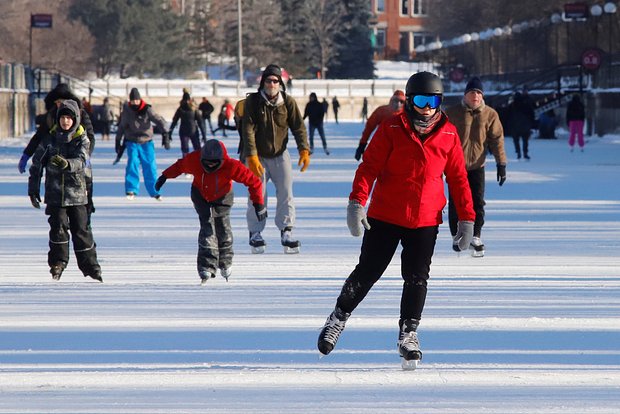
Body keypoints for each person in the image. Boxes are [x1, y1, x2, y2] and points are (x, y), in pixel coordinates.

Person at [316, 71, 475, 368]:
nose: (427, 107)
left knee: (416, 278)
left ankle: (409, 332)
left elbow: (458, 179)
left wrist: (467, 218)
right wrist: (356, 202)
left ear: (440, 102)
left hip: (426, 219)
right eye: (420, 100)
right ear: (409, 99)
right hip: (386, 215)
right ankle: (338, 318)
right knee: (368, 271)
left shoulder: (450, 135)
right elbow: (369, 167)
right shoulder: (391, 127)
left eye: (433, 100)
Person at [155, 139, 266, 284]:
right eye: (207, 163)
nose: (210, 166)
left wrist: (258, 203)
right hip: (200, 195)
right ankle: (206, 266)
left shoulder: (231, 166)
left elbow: (254, 182)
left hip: (223, 197)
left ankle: (225, 261)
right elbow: (180, 166)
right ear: (201, 158)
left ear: (221, 160)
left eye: (214, 163)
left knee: (223, 228)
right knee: (207, 228)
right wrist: (165, 176)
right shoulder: (194, 160)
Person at [27, 100, 102, 282]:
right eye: (63, 118)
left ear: (75, 119)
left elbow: (82, 160)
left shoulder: (82, 139)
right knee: (58, 228)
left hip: (77, 195)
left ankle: (90, 266)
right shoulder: (50, 140)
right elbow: (37, 165)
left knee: (81, 230)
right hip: (55, 195)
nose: (66, 121)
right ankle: (58, 263)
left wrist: (68, 164)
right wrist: (33, 188)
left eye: (69, 118)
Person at [242, 63, 310, 254]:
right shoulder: (253, 102)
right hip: (258, 156)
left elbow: (298, 127)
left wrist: (304, 150)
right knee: (257, 195)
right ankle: (255, 232)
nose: (272, 84)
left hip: (280, 154)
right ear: (263, 82)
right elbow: (247, 130)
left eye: (275, 80)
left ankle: (286, 231)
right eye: (268, 80)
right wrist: (252, 156)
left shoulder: (287, 102)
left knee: (286, 192)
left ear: (280, 83)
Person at [445, 76, 507, 258]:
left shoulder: (490, 114)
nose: (476, 96)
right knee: (456, 202)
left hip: (477, 166)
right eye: (472, 93)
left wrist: (501, 163)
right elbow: (442, 138)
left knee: (477, 201)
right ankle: (458, 235)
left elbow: (497, 140)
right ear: (465, 95)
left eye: (479, 93)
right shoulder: (452, 113)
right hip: (455, 166)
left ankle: (476, 235)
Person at [18, 83, 97, 221]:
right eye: (58, 102)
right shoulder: (52, 115)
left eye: (63, 101)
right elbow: (39, 137)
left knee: (84, 195)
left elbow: (90, 135)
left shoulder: (80, 114)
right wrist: (26, 154)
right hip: (56, 162)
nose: (61, 105)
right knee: (58, 217)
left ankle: (87, 215)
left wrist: (86, 154)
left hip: (78, 159)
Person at [115, 87, 169, 200]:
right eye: (133, 101)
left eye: (137, 100)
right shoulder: (127, 110)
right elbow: (122, 126)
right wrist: (117, 140)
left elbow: (158, 119)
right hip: (132, 141)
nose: (135, 103)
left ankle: (155, 191)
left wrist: (165, 134)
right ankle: (131, 190)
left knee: (150, 166)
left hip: (146, 142)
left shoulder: (147, 109)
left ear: (140, 100)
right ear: (130, 101)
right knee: (132, 164)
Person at [354, 90, 406, 161]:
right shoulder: (382, 111)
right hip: (382, 146)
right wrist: (362, 144)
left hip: (401, 148)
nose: (398, 104)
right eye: (395, 101)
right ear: (391, 101)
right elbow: (369, 127)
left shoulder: (407, 114)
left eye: (401, 102)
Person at [169, 91, 207, 157]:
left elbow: (174, 121)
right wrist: (204, 135)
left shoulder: (181, 109)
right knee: (195, 149)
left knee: (186, 150)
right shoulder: (193, 109)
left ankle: (188, 163)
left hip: (185, 131)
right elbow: (200, 122)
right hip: (192, 131)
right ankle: (196, 163)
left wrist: (170, 132)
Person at [509, 91, 536, 160]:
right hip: (525, 124)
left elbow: (508, 115)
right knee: (525, 140)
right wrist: (532, 123)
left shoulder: (513, 105)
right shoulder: (526, 104)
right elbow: (531, 113)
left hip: (515, 124)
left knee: (516, 140)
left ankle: (518, 152)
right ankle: (525, 153)